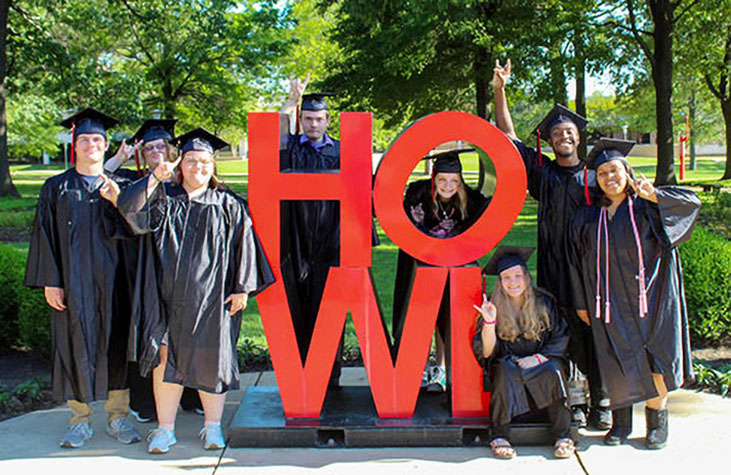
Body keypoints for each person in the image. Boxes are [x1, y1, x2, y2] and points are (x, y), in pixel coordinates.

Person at [113, 128, 273, 453]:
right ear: (179, 164)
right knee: (164, 358)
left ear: (213, 166)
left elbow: (246, 247)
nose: (197, 167)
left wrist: (242, 287)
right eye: (190, 161)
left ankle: (212, 428)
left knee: (212, 359)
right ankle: (165, 429)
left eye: (204, 162)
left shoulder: (228, 205)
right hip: (165, 299)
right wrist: (157, 176)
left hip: (214, 299)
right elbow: (129, 211)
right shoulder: (163, 200)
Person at [493, 59, 610, 429]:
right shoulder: (542, 174)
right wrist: (500, 91)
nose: (563, 136)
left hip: (588, 270)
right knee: (559, 333)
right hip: (553, 269)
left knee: (593, 334)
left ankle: (601, 398)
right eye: (557, 133)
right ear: (551, 139)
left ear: (578, 137)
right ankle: (571, 399)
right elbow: (509, 139)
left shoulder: (594, 177)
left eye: (569, 132)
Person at [568, 138, 700, 449]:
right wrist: (581, 302)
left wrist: (654, 195)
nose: (609, 177)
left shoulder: (647, 207)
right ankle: (621, 423)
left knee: (655, 358)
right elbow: (575, 262)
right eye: (602, 173)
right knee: (616, 357)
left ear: (627, 172)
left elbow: (691, 203)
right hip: (609, 301)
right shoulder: (587, 218)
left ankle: (657, 422)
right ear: (596, 181)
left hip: (651, 298)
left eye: (614, 170)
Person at [25, 108, 142, 448]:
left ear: (106, 146)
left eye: (97, 139)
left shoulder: (122, 186)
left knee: (116, 345)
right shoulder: (56, 187)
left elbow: (141, 231)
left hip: (115, 283)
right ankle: (79, 419)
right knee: (72, 344)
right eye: (85, 139)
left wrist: (119, 201)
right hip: (72, 285)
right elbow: (43, 235)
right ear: (74, 145)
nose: (91, 144)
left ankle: (119, 417)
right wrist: (51, 280)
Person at [104, 119, 204, 423]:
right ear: (142, 154)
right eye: (149, 148)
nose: (156, 152)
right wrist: (120, 157)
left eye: (162, 146)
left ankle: (190, 395)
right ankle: (145, 399)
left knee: (186, 331)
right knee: (147, 333)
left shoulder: (186, 180)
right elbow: (99, 177)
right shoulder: (133, 183)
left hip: (181, 270)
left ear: (172, 148)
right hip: (141, 271)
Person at [392, 150, 489, 391]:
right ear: (434, 178)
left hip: (454, 267)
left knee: (447, 317)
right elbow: (400, 218)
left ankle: (440, 371)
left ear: (460, 181)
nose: (448, 185)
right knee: (418, 315)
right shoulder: (417, 193)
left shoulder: (472, 201)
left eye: (454, 180)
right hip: (419, 265)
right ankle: (412, 372)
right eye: (443, 179)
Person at [472, 246, 574, 459]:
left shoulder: (544, 303)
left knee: (553, 368)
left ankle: (563, 436)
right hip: (511, 369)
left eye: (518, 275)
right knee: (505, 368)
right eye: (506, 277)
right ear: (499, 282)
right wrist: (490, 321)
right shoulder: (493, 305)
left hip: (542, 363)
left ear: (527, 278)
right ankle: (499, 435)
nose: (513, 282)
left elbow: (561, 337)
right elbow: (488, 353)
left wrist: (537, 358)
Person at [278, 75, 344, 388]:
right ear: (300, 119)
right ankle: (300, 374)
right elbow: (275, 134)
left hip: (331, 240)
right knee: (297, 304)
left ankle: (329, 377)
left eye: (318, 119)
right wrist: (293, 99)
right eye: (307, 118)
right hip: (296, 238)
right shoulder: (291, 149)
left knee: (330, 308)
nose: (313, 124)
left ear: (328, 120)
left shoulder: (343, 152)